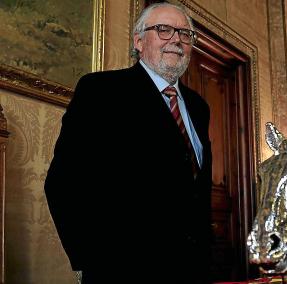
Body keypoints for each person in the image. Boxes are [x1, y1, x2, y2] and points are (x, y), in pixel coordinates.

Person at [44, 3, 212, 283]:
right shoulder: (101, 91)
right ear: (138, 41)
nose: (176, 39)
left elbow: (197, 189)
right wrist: (93, 261)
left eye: (184, 34)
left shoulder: (198, 106)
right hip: (123, 270)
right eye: (163, 29)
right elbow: (63, 182)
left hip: (192, 269)